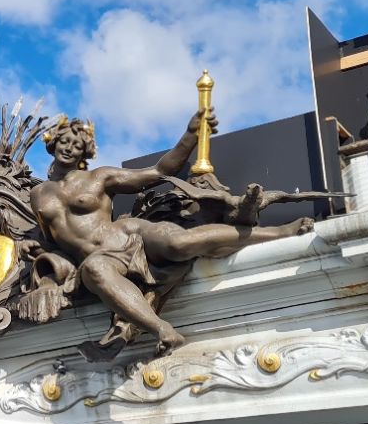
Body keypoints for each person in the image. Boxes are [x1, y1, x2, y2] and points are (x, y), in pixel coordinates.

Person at [29, 110, 313, 354]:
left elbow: (157, 171)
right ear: (52, 144)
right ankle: (163, 330)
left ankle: (278, 232)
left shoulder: (99, 177)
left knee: (180, 244)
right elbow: (48, 238)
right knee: (93, 269)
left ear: (84, 153)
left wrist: (190, 134)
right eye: (64, 141)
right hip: (101, 258)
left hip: (128, 235)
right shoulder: (38, 194)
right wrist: (28, 251)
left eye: (77, 145)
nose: (68, 147)